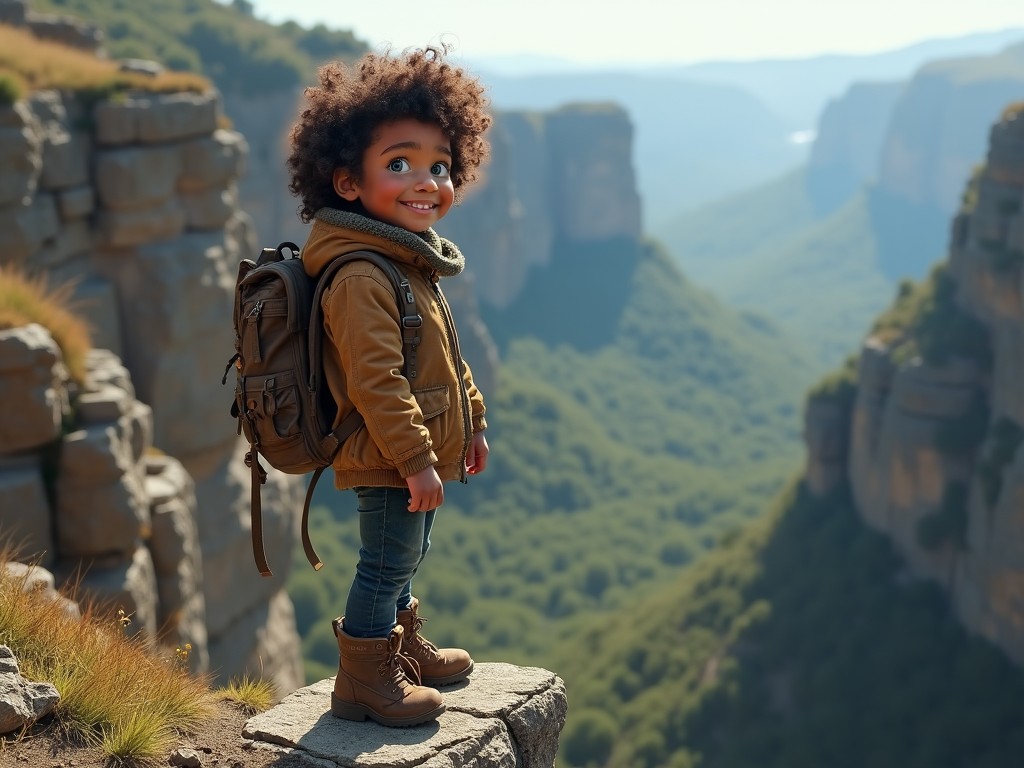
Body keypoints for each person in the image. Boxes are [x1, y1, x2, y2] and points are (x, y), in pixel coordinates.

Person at [286, 46, 492, 728]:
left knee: (408, 551)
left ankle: (399, 649)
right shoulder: (360, 276)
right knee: (383, 561)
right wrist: (415, 458)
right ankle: (364, 681)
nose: (425, 181)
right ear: (348, 183)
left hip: (414, 449)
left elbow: (444, 358)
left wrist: (476, 421)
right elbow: (378, 383)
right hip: (384, 452)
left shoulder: (407, 263)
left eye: (439, 165)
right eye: (399, 163)